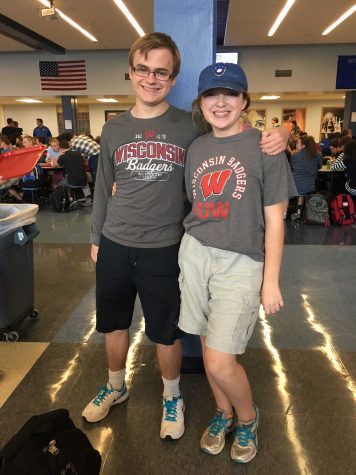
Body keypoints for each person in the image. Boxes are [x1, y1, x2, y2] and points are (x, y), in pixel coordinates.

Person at [82, 32, 289, 440]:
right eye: (143, 69)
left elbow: (233, 131)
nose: (151, 78)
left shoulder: (189, 126)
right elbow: (103, 187)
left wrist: (280, 132)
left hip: (167, 246)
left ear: (173, 79)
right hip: (116, 242)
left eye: (161, 71)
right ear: (131, 73)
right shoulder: (113, 129)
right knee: (113, 324)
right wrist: (95, 238)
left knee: (165, 329)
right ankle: (115, 386)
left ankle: (172, 397)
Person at [177, 62, 296, 464]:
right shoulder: (197, 148)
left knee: (220, 360)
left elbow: (275, 219)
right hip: (195, 254)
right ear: (202, 102)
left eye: (231, 94)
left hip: (240, 262)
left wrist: (271, 280)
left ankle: (247, 417)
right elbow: (194, 206)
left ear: (245, 101)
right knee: (208, 345)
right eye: (212, 94)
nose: (221, 102)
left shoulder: (265, 147)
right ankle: (222, 411)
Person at [290, 135, 322, 219]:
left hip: (295, 185)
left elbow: (291, 168)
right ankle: (308, 211)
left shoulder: (294, 156)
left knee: (300, 193)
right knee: (305, 191)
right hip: (311, 185)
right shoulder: (317, 155)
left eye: (298, 143)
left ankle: (298, 212)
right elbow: (319, 167)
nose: (296, 145)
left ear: (303, 146)